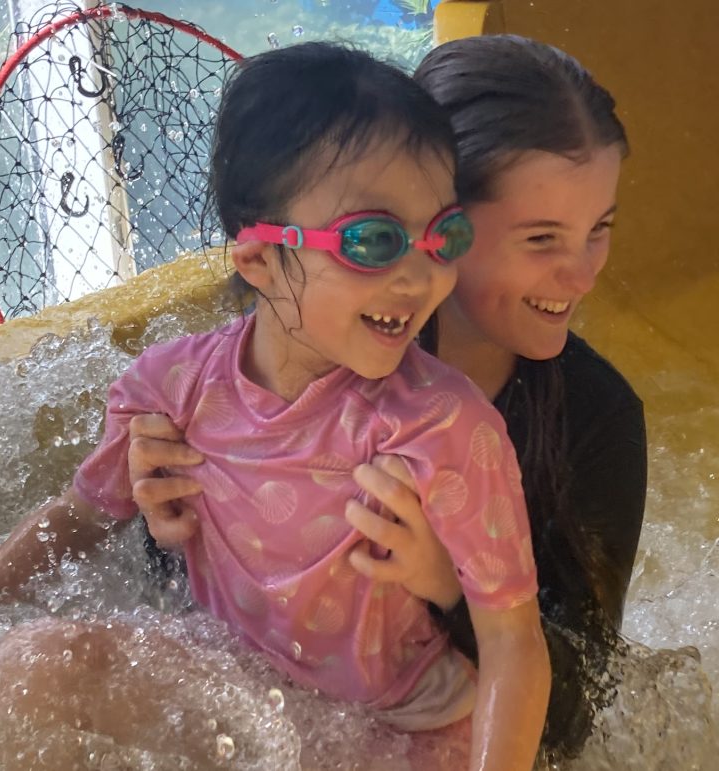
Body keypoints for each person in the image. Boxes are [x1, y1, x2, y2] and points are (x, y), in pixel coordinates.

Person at [0, 42, 550, 770]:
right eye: (375, 241)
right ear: (259, 260)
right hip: (239, 689)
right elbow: (77, 517)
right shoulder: (174, 391)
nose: (420, 277)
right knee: (29, 668)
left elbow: (513, 642)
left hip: (395, 726)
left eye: (442, 237)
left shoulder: (442, 425)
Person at [130, 34, 645, 760]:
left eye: (600, 230)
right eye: (541, 239)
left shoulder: (597, 417)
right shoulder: (309, 331)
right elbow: (217, 597)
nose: (583, 275)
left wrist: (448, 587)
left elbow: (582, 705)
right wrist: (165, 514)